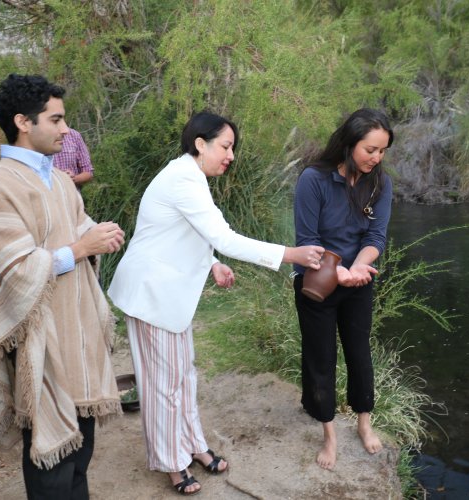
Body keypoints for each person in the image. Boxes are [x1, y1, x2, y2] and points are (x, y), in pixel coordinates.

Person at [107, 111, 325, 495]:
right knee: (163, 385)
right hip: (152, 296)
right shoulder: (183, 179)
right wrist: (292, 254)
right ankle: (172, 463)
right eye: (226, 146)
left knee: (182, 378)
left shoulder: (189, 176)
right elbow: (224, 236)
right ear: (200, 144)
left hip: (168, 297)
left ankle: (192, 445)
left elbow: (182, 232)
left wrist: (212, 263)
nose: (231, 155)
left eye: (232, 148)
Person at [0, 74, 126, 500]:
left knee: (81, 446)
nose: (65, 130)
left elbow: (74, 228)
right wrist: (79, 248)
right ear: (23, 121)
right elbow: (16, 268)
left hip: (76, 331)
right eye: (56, 120)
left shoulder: (58, 179)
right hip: (39, 339)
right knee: (51, 457)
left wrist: (99, 234)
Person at [292, 108, 394, 470]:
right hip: (317, 280)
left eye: (382, 151)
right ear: (349, 143)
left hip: (358, 280)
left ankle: (364, 423)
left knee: (359, 352)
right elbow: (307, 241)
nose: (376, 158)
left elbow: (375, 236)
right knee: (321, 357)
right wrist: (339, 273)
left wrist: (358, 267)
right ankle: (329, 434)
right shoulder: (313, 180)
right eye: (370, 150)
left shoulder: (380, 183)